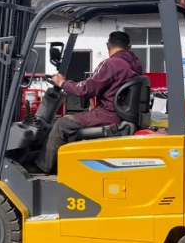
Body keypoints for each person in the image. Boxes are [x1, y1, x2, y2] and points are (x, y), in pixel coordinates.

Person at [33, 31, 143, 174]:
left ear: (108, 45)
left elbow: (86, 89)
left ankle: (43, 166)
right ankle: (62, 163)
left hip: (109, 114)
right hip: (121, 113)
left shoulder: (111, 64)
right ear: (129, 46)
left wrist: (63, 83)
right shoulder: (135, 65)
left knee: (62, 124)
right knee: (75, 121)